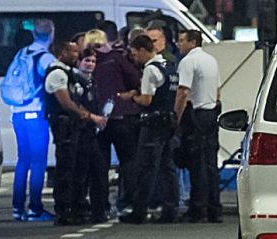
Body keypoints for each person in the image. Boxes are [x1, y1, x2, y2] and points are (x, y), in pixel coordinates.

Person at [44, 42, 107, 225]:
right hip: (64, 127)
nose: (77, 56)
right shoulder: (57, 73)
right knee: (65, 170)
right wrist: (90, 117)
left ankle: (77, 206)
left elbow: (75, 100)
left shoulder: (69, 73)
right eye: (74, 52)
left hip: (74, 128)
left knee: (77, 169)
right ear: (62, 52)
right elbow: (66, 103)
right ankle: (64, 211)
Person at [118, 35, 180, 224]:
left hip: (152, 124)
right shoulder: (170, 67)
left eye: (136, 54)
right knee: (168, 168)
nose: (135, 58)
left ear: (144, 50)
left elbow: (147, 100)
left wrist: (131, 97)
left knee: (145, 168)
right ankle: (171, 209)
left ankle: (139, 211)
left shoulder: (151, 69)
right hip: (168, 122)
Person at [5, 19, 56, 222]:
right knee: (38, 163)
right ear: (51, 34)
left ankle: (18, 208)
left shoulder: (21, 54)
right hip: (36, 114)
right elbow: (53, 86)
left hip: (18, 113)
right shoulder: (45, 58)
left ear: (34, 34)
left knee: (23, 161)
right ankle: (35, 208)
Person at [89, 23, 142, 214]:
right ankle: (130, 203)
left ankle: (99, 207)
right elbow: (134, 78)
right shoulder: (117, 58)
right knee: (128, 161)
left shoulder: (89, 61)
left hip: (99, 118)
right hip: (122, 115)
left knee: (99, 165)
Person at [175, 30, 222, 223]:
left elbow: (183, 93)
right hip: (211, 114)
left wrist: (176, 119)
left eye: (181, 40)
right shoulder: (211, 60)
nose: (178, 44)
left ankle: (197, 208)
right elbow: (218, 91)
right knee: (210, 164)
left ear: (192, 42)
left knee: (197, 164)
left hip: (196, 116)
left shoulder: (187, 62)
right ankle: (214, 208)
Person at [73, 47, 110, 223]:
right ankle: (80, 209)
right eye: (87, 61)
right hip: (79, 132)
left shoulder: (91, 82)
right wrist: (93, 118)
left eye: (93, 61)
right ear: (79, 62)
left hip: (91, 132)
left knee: (98, 171)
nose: (90, 64)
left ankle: (98, 210)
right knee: (81, 173)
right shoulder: (75, 81)